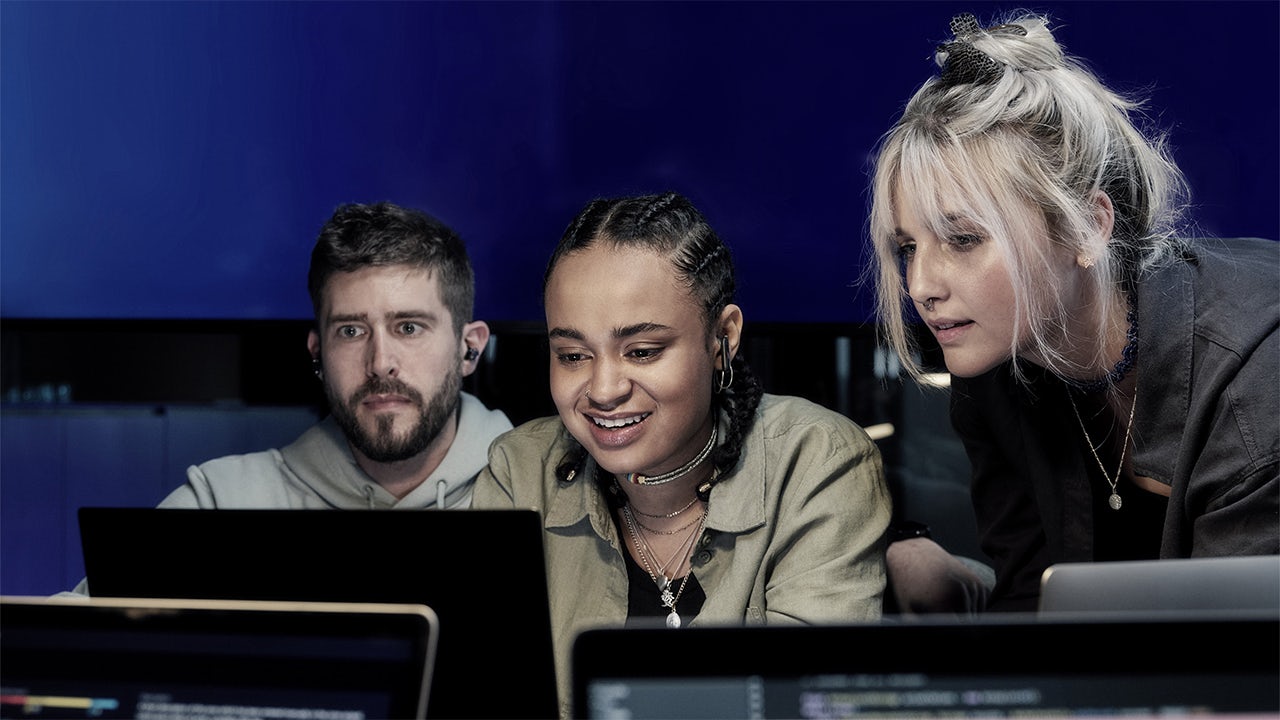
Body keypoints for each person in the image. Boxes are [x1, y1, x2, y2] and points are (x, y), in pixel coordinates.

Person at [867, 12, 1279, 613]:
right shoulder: (993, 364)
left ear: (1088, 227)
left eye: (963, 239)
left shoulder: (1253, 378)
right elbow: (1031, 608)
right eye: (907, 247)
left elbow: (1236, 664)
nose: (921, 285)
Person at [473, 191, 891, 716]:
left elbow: (806, 704)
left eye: (643, 351)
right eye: (572, 355)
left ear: (724, 338)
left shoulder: (816, 463)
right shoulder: (520, 473)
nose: (603, 389)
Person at [66, 201, 512, 595]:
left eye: (408, 327)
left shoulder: (541, 492)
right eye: (351, 331)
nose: (380, 363)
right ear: (317, 352)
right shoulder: (224, 504)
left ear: (469, 348)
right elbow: (54, 640)